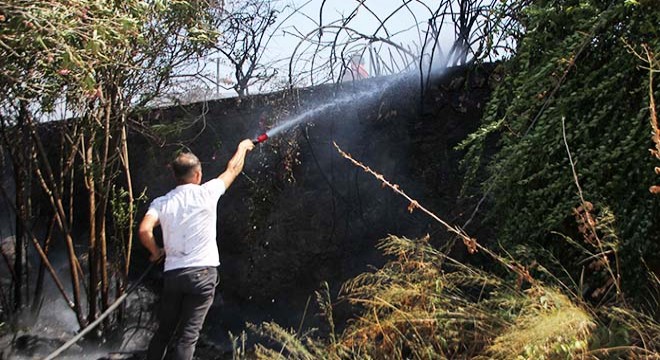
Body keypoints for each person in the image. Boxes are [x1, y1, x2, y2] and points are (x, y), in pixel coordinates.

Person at [139, 139, 255, 360]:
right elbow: (233, 169)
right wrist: (242, 147)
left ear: (175, 176)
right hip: (202, 275)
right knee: (188, 336)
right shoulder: (207, 193)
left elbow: (145, 230)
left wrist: (155, 251)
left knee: (164, 331)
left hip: (174, 275)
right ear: (198, 175)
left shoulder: (162, 203)